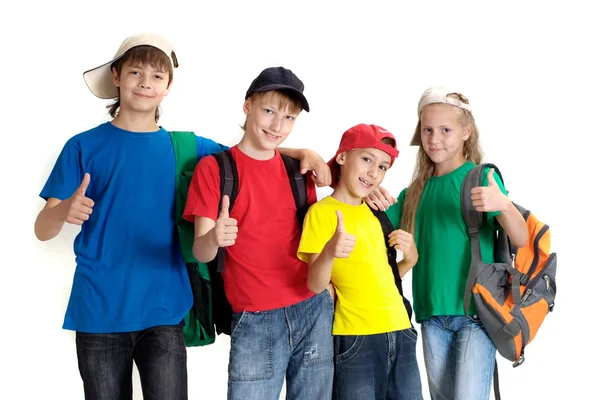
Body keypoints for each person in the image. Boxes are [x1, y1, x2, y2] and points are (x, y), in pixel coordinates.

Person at [34, 35, 327, 400]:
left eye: (157, 76)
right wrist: (63, 211)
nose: (145, 82)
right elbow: (43, 229)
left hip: (165, 309)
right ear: (116, 76)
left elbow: (250, 152)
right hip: (98, 309)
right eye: (135, 72)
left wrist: (304, 152)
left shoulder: (185, 147)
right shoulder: (82, 146)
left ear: (168, 86)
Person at [385, 87, 528, 400]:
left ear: (466, 132)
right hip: (431, 315)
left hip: (476, 315)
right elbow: (376, 226)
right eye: (428, 130)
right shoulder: (415, 193)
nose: (435, 139)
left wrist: (503, 205)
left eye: (445, 130)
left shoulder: (480, 178)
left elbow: (521, 238)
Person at [298, 123, 424, 400]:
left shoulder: (377, 214)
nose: (373, 172)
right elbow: (315, 284)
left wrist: (410, 260)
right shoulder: (321, 213)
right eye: (366, 159)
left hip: (401, 330)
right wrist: (330, 251)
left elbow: (380, 278)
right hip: (357, 337)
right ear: (342, 157)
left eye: (382, 167)